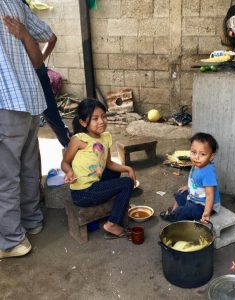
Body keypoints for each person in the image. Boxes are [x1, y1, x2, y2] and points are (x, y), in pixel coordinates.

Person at [0, 1, 53, 258]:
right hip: (31, 100)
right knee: (29, 167)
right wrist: (22, 34)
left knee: (5, 177)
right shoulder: (17, 4)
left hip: (6, 102)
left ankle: (11, 242)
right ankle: (32, 221)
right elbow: (47, 39)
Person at [61, 98, 136, 238]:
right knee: (127, 183)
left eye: (103, 116)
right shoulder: (79, 139)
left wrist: (127, 169)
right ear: (83, 122)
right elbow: (64, 163)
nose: (101, 121)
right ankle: (112, 224)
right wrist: (69, 171)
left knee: (114, 174)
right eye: (95, 119)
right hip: (83, 193)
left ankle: (115, 201)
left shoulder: (106, 137)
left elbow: (108, 164)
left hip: (95, 183)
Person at [21, 0, 71, 147]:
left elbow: (52, 38)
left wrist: (39, 59)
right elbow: (52, 38)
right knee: (52, 118)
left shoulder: (20, 14)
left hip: (34, 74)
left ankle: (72, 147)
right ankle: (70, 145)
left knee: (30, 123)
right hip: (36, 72)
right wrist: (39, 60)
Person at [160, 132, 221, 224]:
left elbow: (210, 196)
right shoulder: (197, 164)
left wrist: (206, 213)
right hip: (195, 198)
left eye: (202, 154)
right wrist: (187, 187)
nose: (196, 157)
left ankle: (176, 216)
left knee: (189, 208)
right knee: (180, 193)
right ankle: (173, 211)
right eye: (193, 152)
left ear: (211, 156)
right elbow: (195, 182)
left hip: (204, 206)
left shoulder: (208, 173)